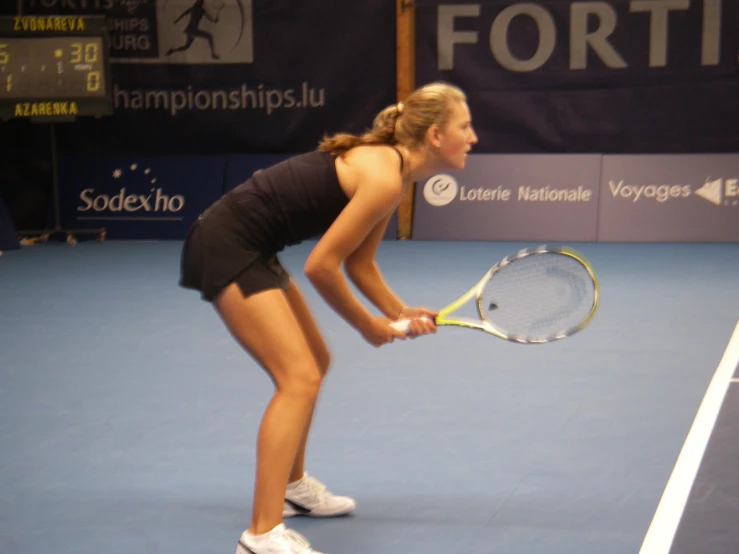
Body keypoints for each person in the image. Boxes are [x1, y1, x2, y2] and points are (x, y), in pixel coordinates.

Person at [179, 81, 478, 554]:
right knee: (298, 378)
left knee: (314, 362)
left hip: (254, 247)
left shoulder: (392, 176)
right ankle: (261, 536)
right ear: (436, 137)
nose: (473, 136)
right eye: (465, 126)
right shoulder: (382, 177)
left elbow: (360, 263)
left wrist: (399, 313)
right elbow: (322, 266)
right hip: (226, 244)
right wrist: (368, 326)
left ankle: (293, 487)